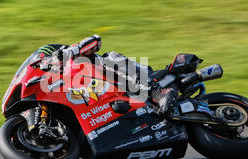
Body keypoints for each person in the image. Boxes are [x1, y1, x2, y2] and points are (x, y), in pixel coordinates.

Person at [39, 35, 178, 115]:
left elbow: (96, 39)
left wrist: (73, 50)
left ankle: (157, 93)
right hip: (118, 97)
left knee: (109, 59)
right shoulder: (66, 80)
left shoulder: (73, 55)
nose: (46, 67)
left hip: (133, 77)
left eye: (45, 62)